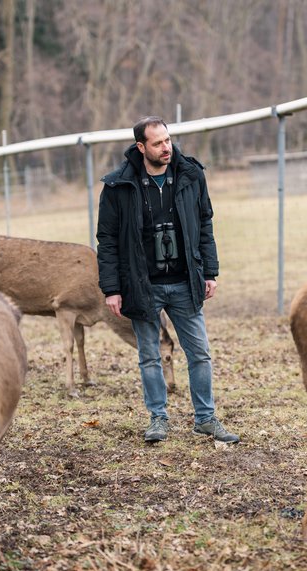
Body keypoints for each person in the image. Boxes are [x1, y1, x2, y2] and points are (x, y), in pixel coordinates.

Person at [96, 116, 240, 445]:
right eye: (158, 143)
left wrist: (210, 271)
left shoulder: (190, 175)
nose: (166, 147)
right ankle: (158, 418)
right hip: (142, 284)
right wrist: (112, 288)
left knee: (199, 353)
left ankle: (205, 418)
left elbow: (205, 223)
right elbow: (107, 240)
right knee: (149, 356)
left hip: (185, 280)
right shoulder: (118, 186)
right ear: (141, 147)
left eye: (168, 140)